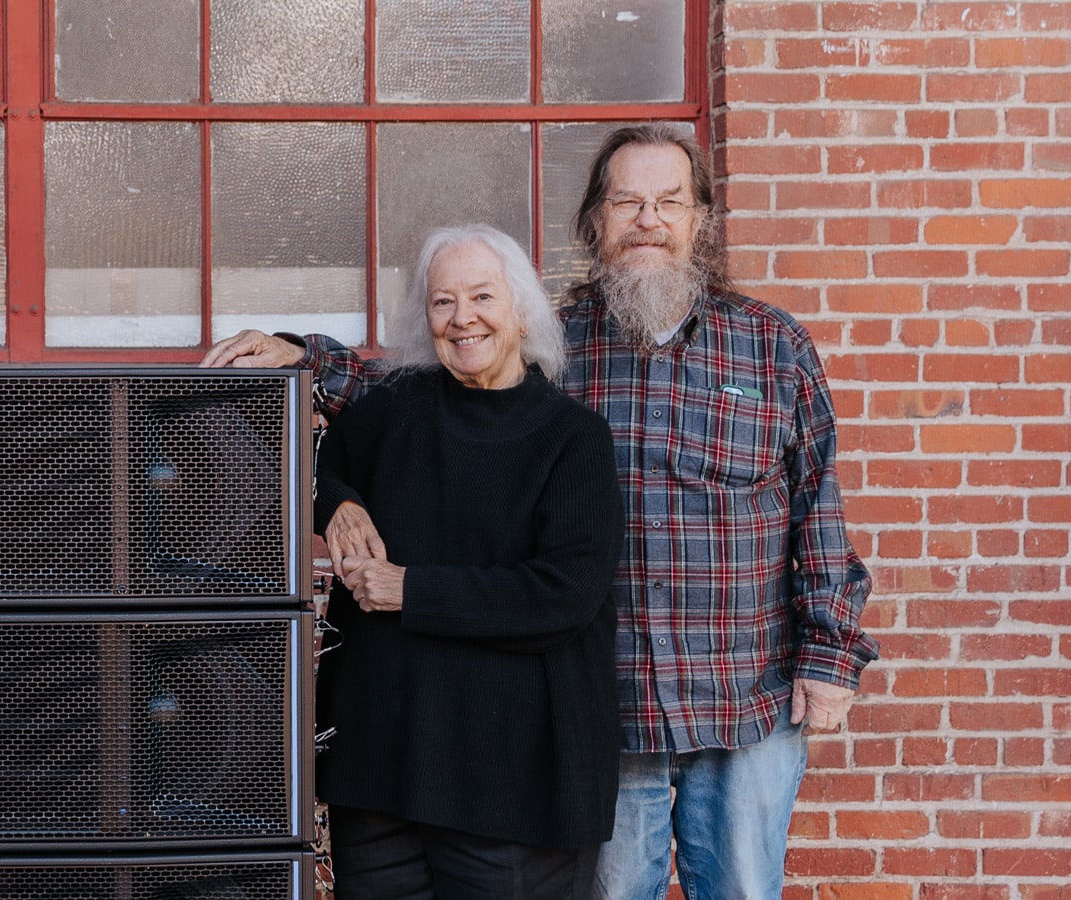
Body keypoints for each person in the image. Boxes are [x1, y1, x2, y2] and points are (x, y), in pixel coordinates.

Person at [201, 123, 879, 899]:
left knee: (744, 890)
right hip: (611, 707)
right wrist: (303, 355)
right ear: (596, 220)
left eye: (668, 202)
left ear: (701, 220)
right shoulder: (557, 341)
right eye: (627, 202)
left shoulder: (772, 346)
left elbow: (817, 508)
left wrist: (830, 658)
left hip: (740, 692)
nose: (648, 220)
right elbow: (415, 382)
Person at [302, 224, 624, 899]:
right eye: (442, 302)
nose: (461, 318)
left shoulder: (572, 439)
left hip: (510, 787)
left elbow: (563, 594)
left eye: (481, 296)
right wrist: (336, 504)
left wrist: (409, 590)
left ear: (522, 309)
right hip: (382, 771)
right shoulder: (392, 410)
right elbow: (321, 461)